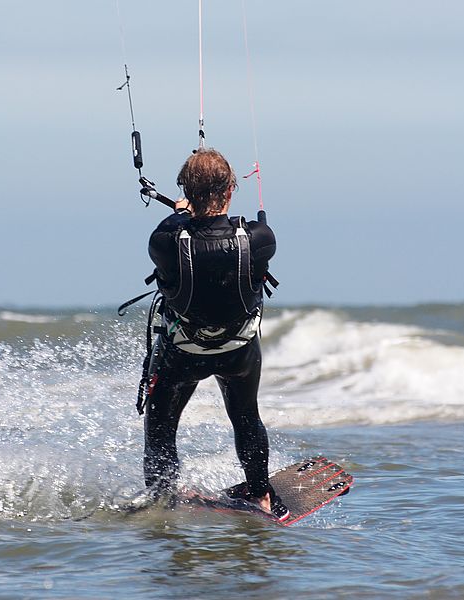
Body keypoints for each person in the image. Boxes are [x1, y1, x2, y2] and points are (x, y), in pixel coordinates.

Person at [140, 148, 288, 521]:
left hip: (182, 353)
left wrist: (181, 214)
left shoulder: (164, 241)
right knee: (245, 415)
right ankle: (260, 494)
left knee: (160, 425)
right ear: (231, 190)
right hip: (238, 351)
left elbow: (175, 233)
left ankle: (163, 498)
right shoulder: (260, 239)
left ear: (186, 191)